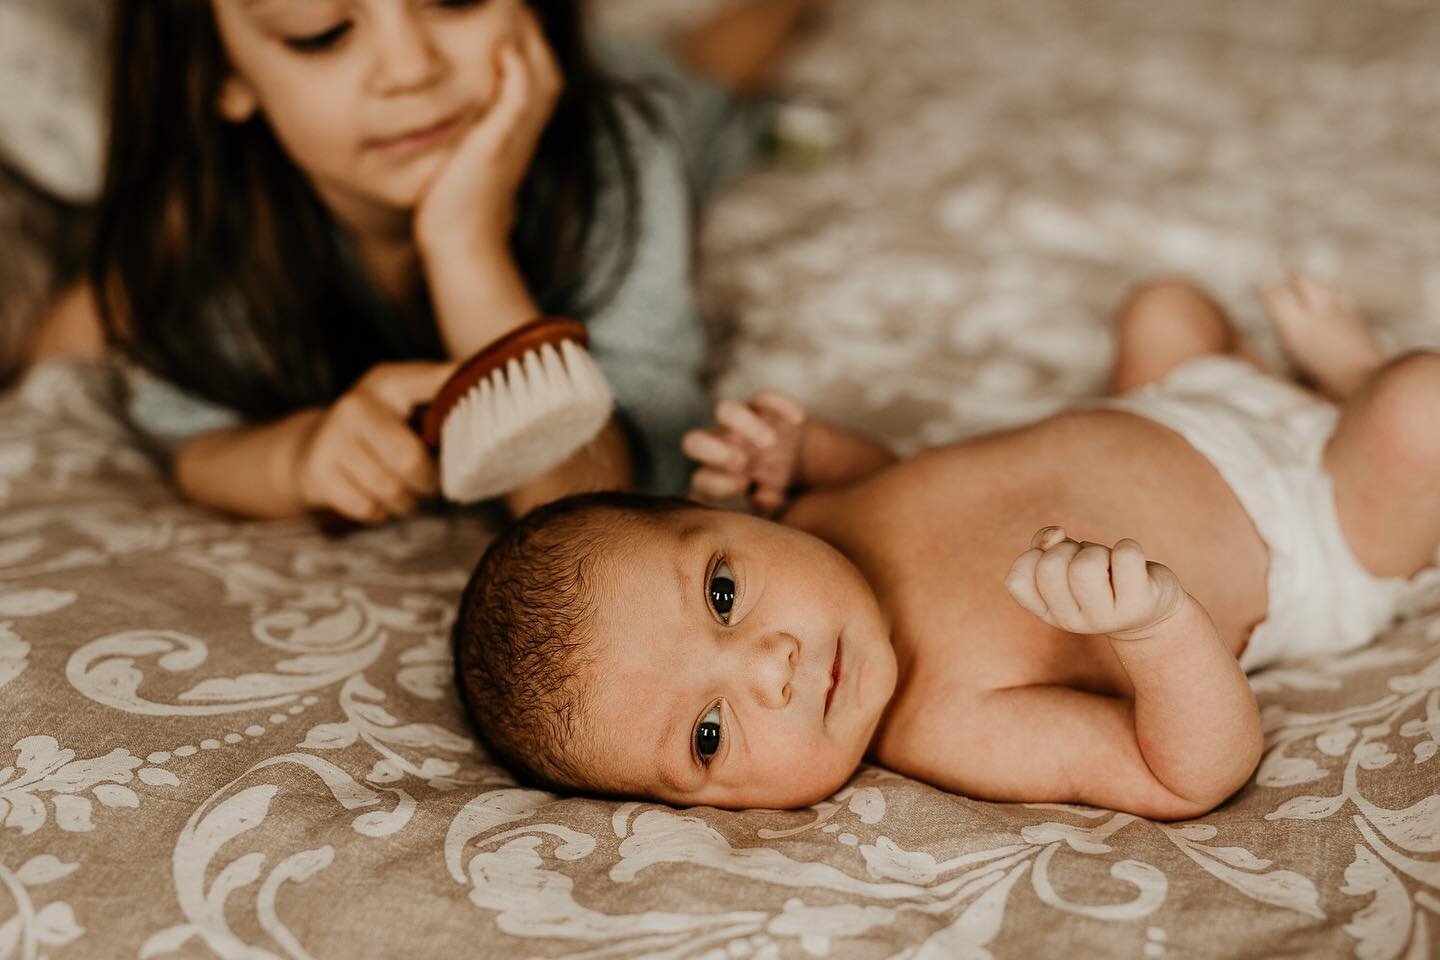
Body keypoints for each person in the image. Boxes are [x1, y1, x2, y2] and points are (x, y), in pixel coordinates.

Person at [452, 273, 1435, 820]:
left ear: (732, 522)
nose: (770, 664)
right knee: (1420, 410)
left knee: (1162, 306)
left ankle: (1304, 386)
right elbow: (1187, 772)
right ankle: (1355, 383)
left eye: (719, 594)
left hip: (1165, 410)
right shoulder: (944, 720)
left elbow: (901, 479)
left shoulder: (817, 529)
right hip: (1312, 523)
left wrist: (802, 451)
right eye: (709, 735)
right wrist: (1158, 626)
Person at [26, 0, 821, 521]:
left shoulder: (618, 152)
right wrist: (297, 456)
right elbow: (197, 447)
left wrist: (465, 247)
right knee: (78, 325)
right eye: (321, 33)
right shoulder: (206, 236)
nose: (410, 71)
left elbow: (597, 498)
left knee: (705, 66)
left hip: (641, 94)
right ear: (224, 73)